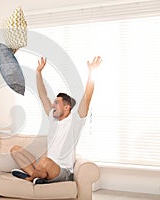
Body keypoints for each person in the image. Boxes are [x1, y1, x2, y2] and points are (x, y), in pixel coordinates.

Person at [10, 56, 102, 184]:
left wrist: (91, 72)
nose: (53, 105)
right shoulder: (53, 118)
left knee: (44, 161)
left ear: (67, 107)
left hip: (62, 171)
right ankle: (38, 177)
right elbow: (43, 95)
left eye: (57, 103)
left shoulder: (75, 121)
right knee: (15, 150)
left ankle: (30, 177)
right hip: (46, 166)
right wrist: (38, 72)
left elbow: (87, 96)